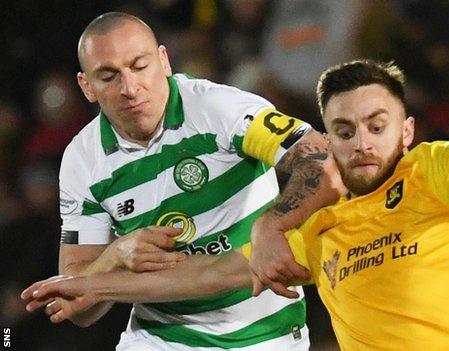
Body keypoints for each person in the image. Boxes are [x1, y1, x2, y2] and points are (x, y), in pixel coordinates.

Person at [23, 60, 449, 350]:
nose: (362, 142)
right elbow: (210, 271)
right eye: (345, 129)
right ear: (325, 138)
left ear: (405, 132)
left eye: (377, 126)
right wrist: (99, 283)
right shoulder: (318, 220)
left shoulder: (433, 172)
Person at [36, 11, 344, 351]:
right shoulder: (83, 159)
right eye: (109, 76)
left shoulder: (220, 109)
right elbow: (79, 306)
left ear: (164, 61)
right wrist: (115, 255)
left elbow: (322, 160)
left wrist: (272, 224)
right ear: (87, 86)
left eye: (140, 66)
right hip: (159, 338)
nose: (130, 88)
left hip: (265, 334)